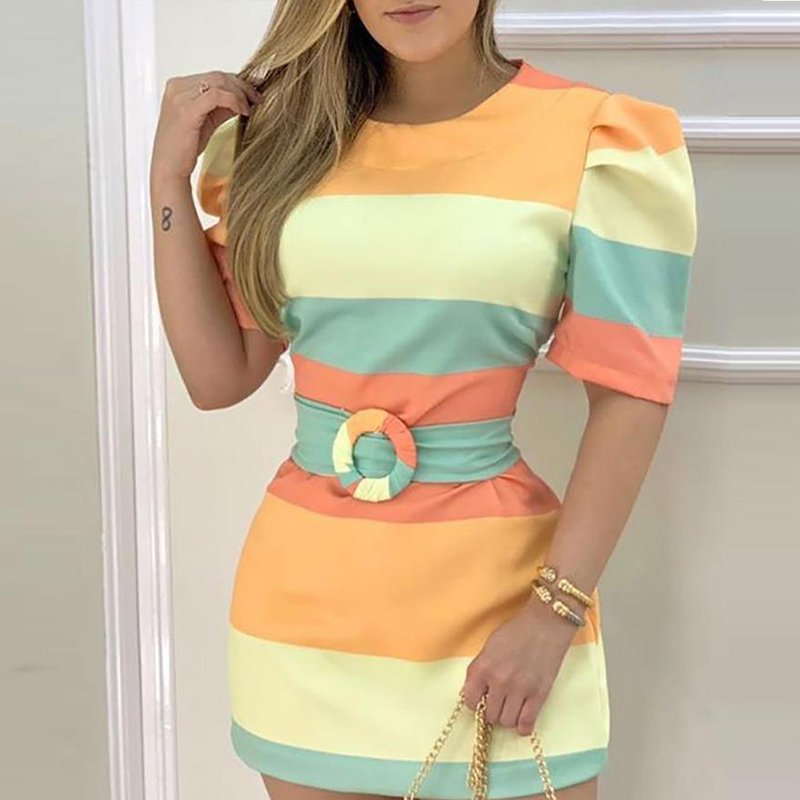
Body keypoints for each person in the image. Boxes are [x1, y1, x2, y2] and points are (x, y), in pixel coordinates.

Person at [149, 1, 698, 799]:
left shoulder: (595, 139)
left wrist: (553, 615)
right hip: (306, 619)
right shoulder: (284, 141)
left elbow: (630, 395)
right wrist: (167, 179)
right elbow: (217, 376)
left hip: (506, 605)